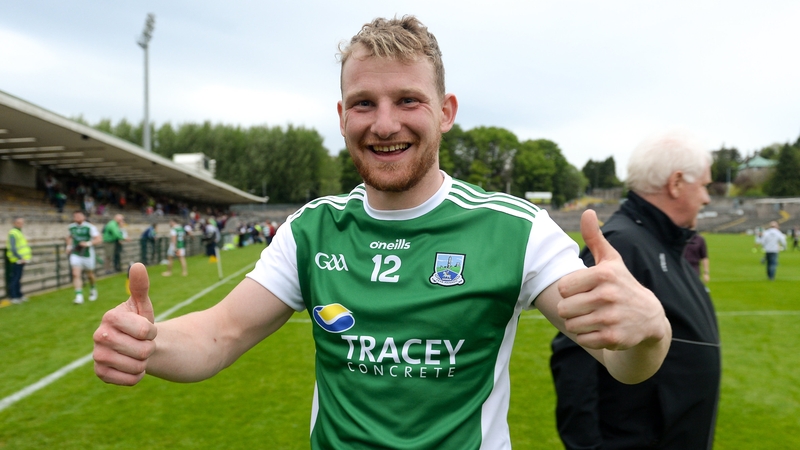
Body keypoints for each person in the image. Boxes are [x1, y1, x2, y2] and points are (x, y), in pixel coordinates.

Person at [93, 16, 672, 449]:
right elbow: (220, 334)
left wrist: (648, 332)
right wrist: (149, 343)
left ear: (444, 112)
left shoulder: (516, 230)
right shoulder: (314, 229)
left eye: (407, 101)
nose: (385, 124)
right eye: (363, 103)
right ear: (342, 116)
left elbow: (619, 360)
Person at [550, 131, 720, 449]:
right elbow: (576, 358)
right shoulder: (622, 245)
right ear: (677, 183)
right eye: (705, 186)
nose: (707, 198)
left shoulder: (664, 243)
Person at [67, 210, 102, 304]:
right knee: (75, 273)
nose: (77, 217)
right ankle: (79, 296)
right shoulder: (71, 227)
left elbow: (98, 239)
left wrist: (87, 243)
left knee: (90, 275)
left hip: (87, 254)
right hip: (76, 254)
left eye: (79, 215)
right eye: (75, 216)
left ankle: (93, 288)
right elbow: (69, 237)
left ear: (83, 217)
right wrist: (69, 247)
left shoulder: (90, 227)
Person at [6, 217, 32, 304]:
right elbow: (13, 248)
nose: (21, 224)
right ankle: (14, 296)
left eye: (22, 223)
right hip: (16, 259)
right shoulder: (13, 233)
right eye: (18, 223)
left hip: (21, 259)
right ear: (14, 223)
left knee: (18, 278)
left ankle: (19, 295)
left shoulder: (19, 232)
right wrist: (20, 257)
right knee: (15, 278)